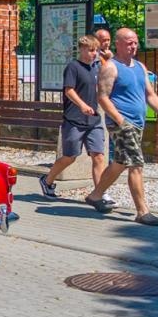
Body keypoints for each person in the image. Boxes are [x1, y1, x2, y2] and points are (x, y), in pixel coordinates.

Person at [83, 27, 158, 225]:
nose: (133, 46)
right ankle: (143, 212)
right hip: (122, 124)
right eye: (129, 43)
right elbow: (103, 97)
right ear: (118, 44)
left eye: (135, 42)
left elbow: (150, 95)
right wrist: (120, 120)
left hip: (137, 123)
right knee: (136, 164)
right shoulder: (111, 67)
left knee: (120, 162)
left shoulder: (140, 67)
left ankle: (95, 195)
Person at [39, 36, 106, 198]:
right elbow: (69, 90)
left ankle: (100, 194)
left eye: (96, 50)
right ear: (81, 49)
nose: (94, 53)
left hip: (93, 120)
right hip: (74, 120)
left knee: (98, 156)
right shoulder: (73, 67)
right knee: (70, 157)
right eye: (91, 50)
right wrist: (82, 105)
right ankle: (47, 180)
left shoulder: (97, 68)